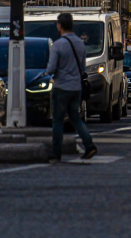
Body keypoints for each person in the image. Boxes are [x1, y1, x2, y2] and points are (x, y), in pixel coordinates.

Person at [46, 13, 97, 162]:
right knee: (75, 118)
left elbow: (51, 69)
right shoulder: (80, 44)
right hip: (76, 87)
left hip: (61, 86)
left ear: (59, 26)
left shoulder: (58, 45)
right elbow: (82, 68)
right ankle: (89, 145)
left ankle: (56, 152)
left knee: (58, 121)